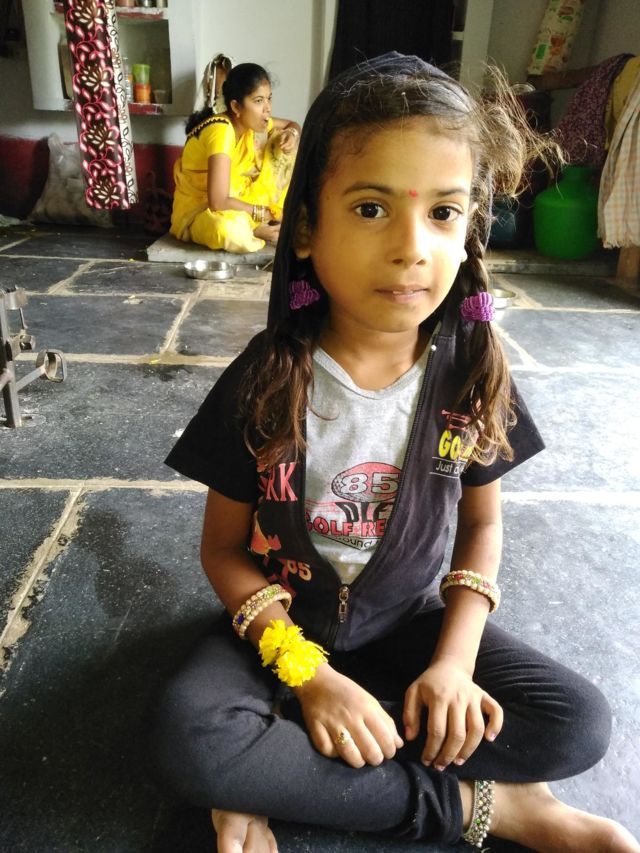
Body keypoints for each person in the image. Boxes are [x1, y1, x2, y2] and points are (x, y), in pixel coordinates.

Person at [152, 53, 640, 853]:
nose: (413, 247)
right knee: (190, 738)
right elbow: (223, 551)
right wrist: (310, 677)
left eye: (443, 212)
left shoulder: (471, 373)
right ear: (305, 227)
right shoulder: (265, 379)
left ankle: (276, 770)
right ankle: (490, 809)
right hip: (281, 627)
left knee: (576, 723)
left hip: (406, 624)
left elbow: (481, 527)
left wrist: (452, 666)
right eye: (372, 207)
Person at [170, 62, 301, 254]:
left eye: (269, 98)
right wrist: (259, 213)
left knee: (284, 142)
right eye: (258, 101)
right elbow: (218, 202)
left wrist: (292, 134)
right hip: (202, 212)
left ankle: (260, 221)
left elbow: (292, 124)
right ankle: (254, 229)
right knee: (228, 231)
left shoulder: (249, 123)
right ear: (236, 106)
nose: (267, 108)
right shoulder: (221, 131)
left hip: (236, 200)